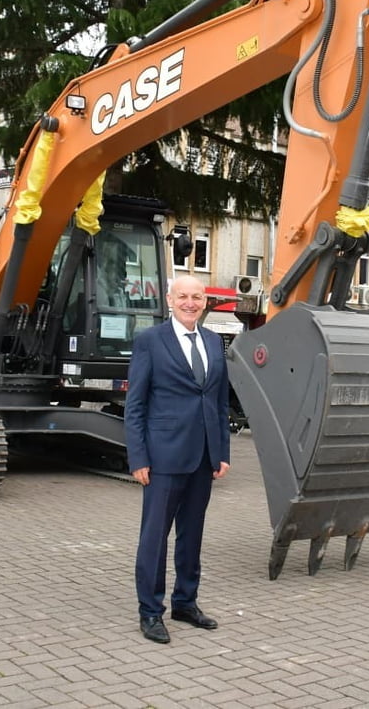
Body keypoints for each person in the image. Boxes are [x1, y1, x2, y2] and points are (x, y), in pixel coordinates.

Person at [125, 274, 230, 645]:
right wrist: (138, 456)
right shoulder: (150, 341)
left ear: (206, 302)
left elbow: (218, 402)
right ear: (169, 300)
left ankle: (185, 602)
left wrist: (222, 453)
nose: (190, 302)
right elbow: (135, 405)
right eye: (183, 296)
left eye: (197, 297)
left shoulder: (215, 341)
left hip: (203, 457)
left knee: (192, 535)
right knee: (155, 537)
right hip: (163, 456)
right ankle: (150, 611)